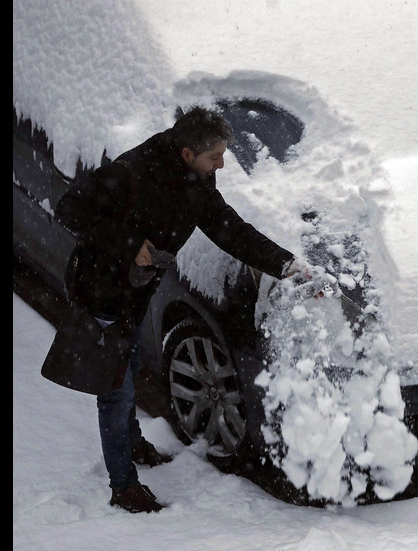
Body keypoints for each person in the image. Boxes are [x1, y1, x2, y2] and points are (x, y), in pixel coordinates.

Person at [54, 106, 309, 513]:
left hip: (136, 293)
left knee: (131, 365)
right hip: (101, 290)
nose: (222, 164)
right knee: (115, 392)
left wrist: (285, 264)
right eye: (215, 157)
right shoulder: (130, 173)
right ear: (188, 153)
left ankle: (132, 443)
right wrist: (130, 244)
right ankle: (123, 487)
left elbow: (229, 229)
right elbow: (69, 208)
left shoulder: (197, 180)